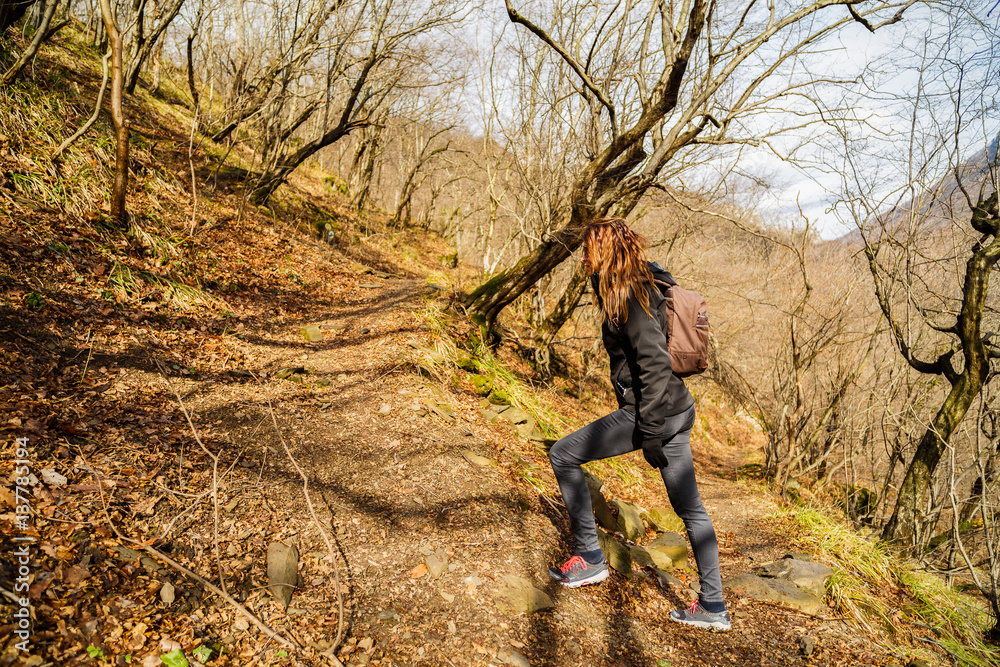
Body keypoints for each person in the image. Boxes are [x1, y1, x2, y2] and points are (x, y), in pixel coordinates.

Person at [546, 216, 731, 631]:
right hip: (673, 410)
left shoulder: (634, 295)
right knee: (690, 510)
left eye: (589, 247)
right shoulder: (623, 285)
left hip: (655, 413)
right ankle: (714, 606)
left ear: (606, 250)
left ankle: (590, 557)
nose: (583, 255)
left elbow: (653, 367)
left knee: (563, 454)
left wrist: (648, 433)